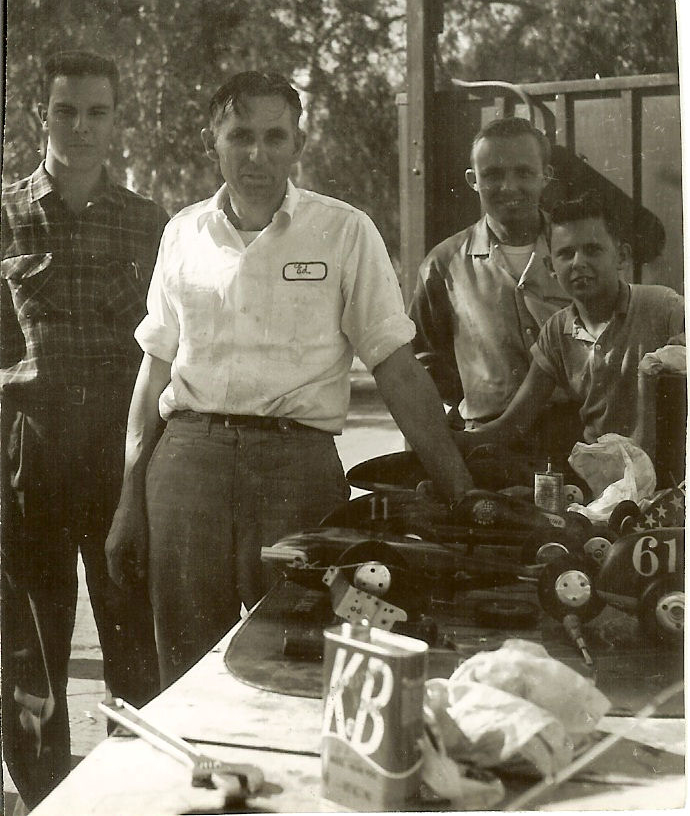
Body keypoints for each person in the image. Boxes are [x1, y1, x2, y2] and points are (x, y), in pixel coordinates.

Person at [105, 70, 473, 688]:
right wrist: (127, 503)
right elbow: (155, 370)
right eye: (239, 135)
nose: (257, 153)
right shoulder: (182, 234)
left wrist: (461, 493)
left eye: (276, 136)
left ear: (298, 144)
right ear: (211, 141)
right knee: (187, 670)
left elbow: (396, 366)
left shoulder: (345, 230)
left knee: (301, 657)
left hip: (296, 470)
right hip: (188, 467)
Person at [1, 50, 168, 809]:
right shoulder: (3, 214)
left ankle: (131, 791)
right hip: (26, 451)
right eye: (66, 110)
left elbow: (168, 351)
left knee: (131, 634)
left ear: (115, 119)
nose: (81, 127)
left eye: (97, 112)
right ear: (43, 116)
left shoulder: (148, 223)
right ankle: (44, 799)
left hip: (120, 455)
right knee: (30, 648)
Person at [457, 192, 685, 451]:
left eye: (592, 250)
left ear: (621, 257)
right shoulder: (555, 333)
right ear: (551, 266)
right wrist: (450, 440)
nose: (578, 263)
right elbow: (514, 424)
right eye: (566, 253)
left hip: (667, 472)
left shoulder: (665, 308)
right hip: (600, 478)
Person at [408, 116, 576, 453]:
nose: (509, 186)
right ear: (473, 180)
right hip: (488, 446)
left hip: (574, 438)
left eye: (524, 173)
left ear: (546, 175)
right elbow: (423, 357)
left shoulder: (577, 252)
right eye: (493, 174)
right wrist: (479, 398)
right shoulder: (444, 264)